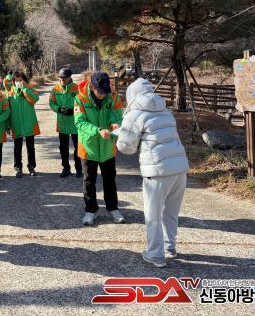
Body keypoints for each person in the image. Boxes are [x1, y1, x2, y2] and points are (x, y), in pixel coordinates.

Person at [113, 78, 189, 268]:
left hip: (157, 171)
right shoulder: (165, 110)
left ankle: (155, 254)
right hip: (180, 167)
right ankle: (169, 248)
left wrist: (118, 134)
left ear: (132, 95)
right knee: (170, 212)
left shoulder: (134, 114)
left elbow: (126, 147)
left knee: (153, 215)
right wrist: (124, 132)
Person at [74, 71, 125, 226]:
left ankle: (112, 208)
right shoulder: (80, 98)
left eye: (105, 91)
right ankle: (90, 210)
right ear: (92, 87)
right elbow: (80, 122)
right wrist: (98, 131)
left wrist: (115, 123)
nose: (103, 94)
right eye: (100, 91)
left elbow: (117, 114)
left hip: (108, 147)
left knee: (110, 179)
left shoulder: (113, 96)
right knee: (89, 180)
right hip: (88, 147)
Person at [49, 67, 82, 178]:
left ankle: (79, 169)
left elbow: (82, 103)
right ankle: (66, 168)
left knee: (78, 147)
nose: (62, 80)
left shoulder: (77, 88)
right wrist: (59, 109)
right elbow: (52, 103)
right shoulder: (55, 89)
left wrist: (73, 110)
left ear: (70, 77)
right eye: (61, 78)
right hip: (62, 123)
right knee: (63, 148)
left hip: (75, 123)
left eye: (64, 78)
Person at [7, 72, 40, 178]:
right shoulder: (9, 94)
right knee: (17, 147)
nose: (19, 82)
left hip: (29, 123)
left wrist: (25, 89)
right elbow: (7, 111)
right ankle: (18, 168)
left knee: (30, 147)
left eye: (21, 80)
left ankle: (31, 167)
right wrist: (7, 125)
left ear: (25, 81)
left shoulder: (30, 90)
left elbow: (35, 99)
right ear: (13, 82)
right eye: (16, 80)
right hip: (16, 124)